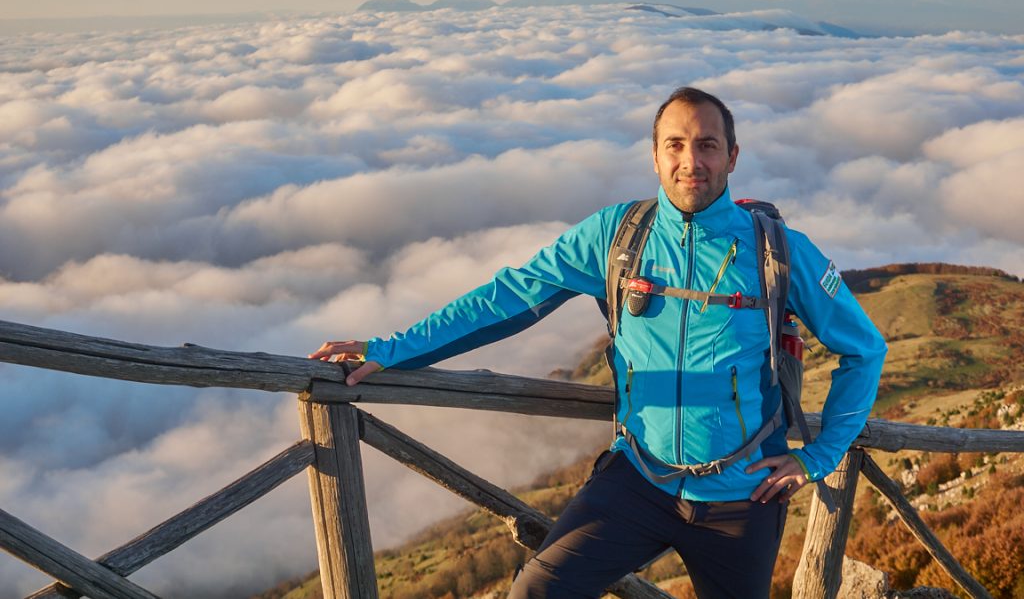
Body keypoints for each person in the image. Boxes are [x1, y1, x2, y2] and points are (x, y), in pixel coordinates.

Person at [309, 87, 887, 598]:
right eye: (676, 145)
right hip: (640, 477)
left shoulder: (778, 250)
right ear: (655, 155)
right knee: (537, 590)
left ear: (732, 156)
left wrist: (817, 458)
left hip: (744, 499)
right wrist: (395, 348)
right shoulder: (618, 236)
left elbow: (864, 349)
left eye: (708, 145)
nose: (692, 161)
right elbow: (509, 298)